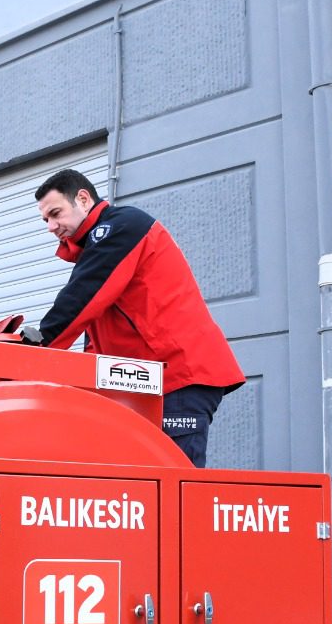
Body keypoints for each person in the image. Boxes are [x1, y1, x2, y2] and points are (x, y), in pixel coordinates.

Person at [28, 168, 243, 467]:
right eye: (45, 220)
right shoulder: (100, 250)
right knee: (145, 489)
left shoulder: (121, 228)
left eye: (55, 213)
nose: (51, 226)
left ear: (83, 199)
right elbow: (94, 338)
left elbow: (80, 298)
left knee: (173, 488)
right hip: (151, 384)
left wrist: (34, 352)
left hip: (176, 378)